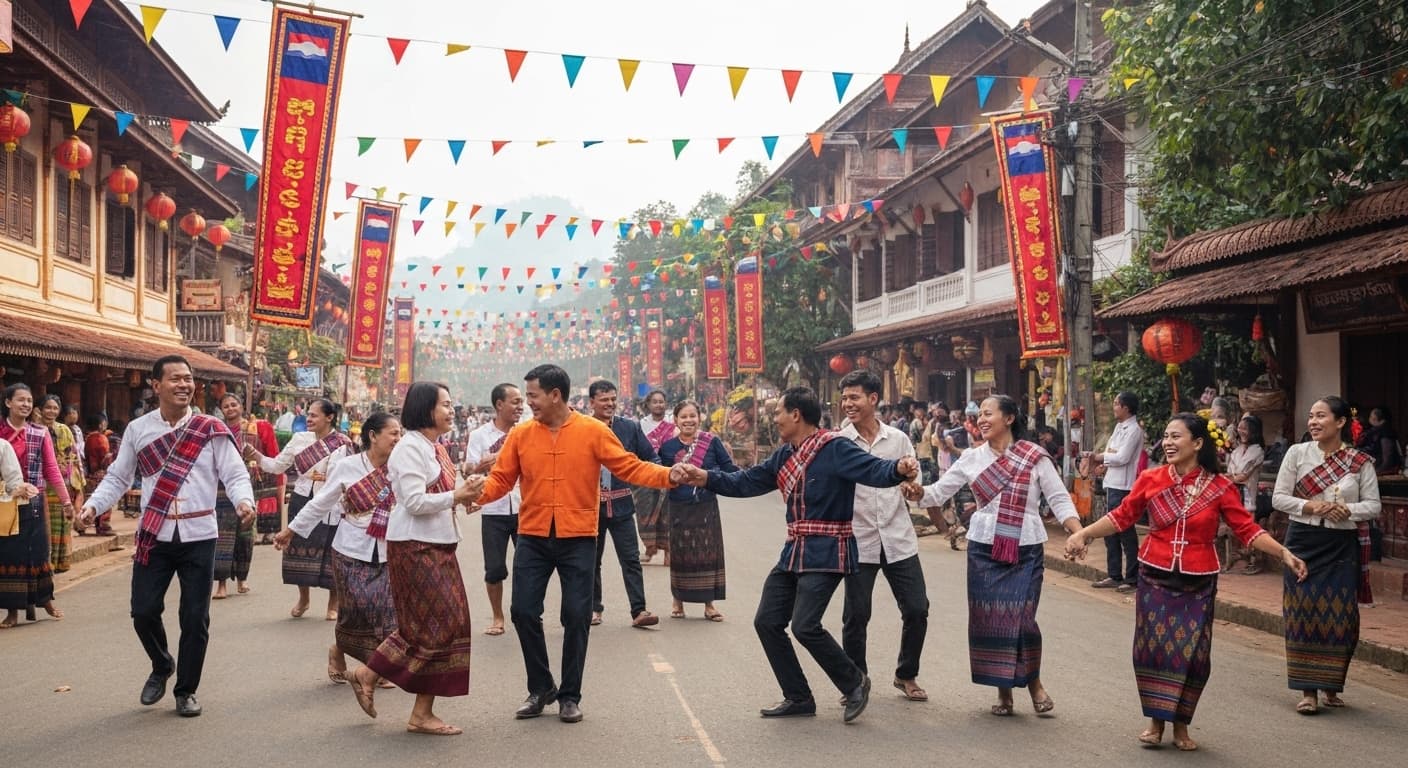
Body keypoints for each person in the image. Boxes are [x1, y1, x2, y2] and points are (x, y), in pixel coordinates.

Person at [676, 386, 919, 724]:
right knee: (767, 621)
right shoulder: (784, 455)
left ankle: (854, 682)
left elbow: (874, 470)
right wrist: (704, 477)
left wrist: (899, 469)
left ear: (795, 415)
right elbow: (746, 482)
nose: (774, 419)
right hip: (796, 548)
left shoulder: (836, 448)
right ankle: (799, 696)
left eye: (778, 412)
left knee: (805, 625)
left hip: (829, 549)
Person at [1065, 413, 1307, 751]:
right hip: (1154, 574)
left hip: (1198, 580)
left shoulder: (1220, 487)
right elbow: (1121, 517)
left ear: (1197, 443)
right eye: (1165, 436)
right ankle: (1155, 721)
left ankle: (1181, 724)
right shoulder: (1150, 478)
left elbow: (1247, 530)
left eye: (1176, 436)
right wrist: (1084, 535)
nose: (1168, 442)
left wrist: (1283, 553)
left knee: (1192, 654)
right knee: (1152, 650)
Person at [475, 364, 680, 724]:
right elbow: (502, 479)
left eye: (534, 396)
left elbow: (629, 467)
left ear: (555, 395)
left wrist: (668, 475)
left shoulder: (592, 431)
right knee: (522, 611)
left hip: (579, 539)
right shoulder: (521, 435)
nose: (529, 404)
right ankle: (541, 688)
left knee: (576, 615)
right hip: (534, 536)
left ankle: (570, 695)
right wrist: (474, 495)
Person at [81, 355, 255, 717]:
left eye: (188, 379)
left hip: (199, 534)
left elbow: (235, 473)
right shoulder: (138, 429)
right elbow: (118, 477)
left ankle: (186, 690)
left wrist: (243, 501)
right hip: (154, 534)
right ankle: (162, 664)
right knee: (143, 612)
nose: (184, 385)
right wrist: (93, 506)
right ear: (156, 385)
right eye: (174, 379)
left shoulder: (210, 428)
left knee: (195, 617)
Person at [900, 395, 1079, 718]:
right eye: (979, 414)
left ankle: (1035, 684)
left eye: (988, 413)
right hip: (984, 548)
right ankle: (1004, 693)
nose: (981, 419)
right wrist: (917, 492)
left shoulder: (1035, 457)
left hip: (1025, 548)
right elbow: (939, 492)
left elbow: (1059, 499)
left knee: (1022, 621)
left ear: (1009, 418)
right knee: (994, 622)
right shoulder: (970, 458)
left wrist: (1077, 532)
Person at [347, 382, 481, 736]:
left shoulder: (435, 447)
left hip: (437, 545)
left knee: (437, 626)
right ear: (425, 408)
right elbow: (413, 502)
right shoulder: (409, 448)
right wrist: (456, 495)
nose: (452, 410)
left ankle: (375, 677)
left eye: (452, 404)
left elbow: (443, 494)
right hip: (415, 547)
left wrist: (466, 496)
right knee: (436, 626)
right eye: (446, 405)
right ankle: (413, 707)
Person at [278, 412, 402, 690]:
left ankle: (375, 667)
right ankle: (338, 650)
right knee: (354, 610)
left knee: (385, 610)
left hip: (388, 548)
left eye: (400, 433)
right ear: (373, 435)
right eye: (393, 433)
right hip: (350, 549)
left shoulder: (400, 468)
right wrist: (291, 530)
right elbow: (321, 502)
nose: (398, 438)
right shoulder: (347, 466)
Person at [1273, 395, 1381, 715]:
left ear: (1341, 422)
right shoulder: (1297, 453)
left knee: (1340, 616)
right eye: (1311, 416)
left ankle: (1331, 685)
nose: (1313, 422)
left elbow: (1373, 506)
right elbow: (1280, 498)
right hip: (1303, 541)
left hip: (1340, 544)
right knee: (1302, 613)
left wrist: (1346, 510)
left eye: (1321, 416)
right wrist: (1310, 505)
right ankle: (1308, 692)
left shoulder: (1360, 462)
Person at [835, 371, 931, 703]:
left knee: (917, 609)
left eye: (854, 397)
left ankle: (906, 674)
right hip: (859, 538)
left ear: (873, 399)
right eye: (844, 398)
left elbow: (909, 478)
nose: (848, 403)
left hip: (898, 536)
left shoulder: (899, 440)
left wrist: (912, 487)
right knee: (856, 615)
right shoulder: (840, 442)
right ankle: (856, 681)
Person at [249, 398, 352, 619]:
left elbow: (338, 479)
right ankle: (303, 599)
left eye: (314, 415)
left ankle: (333, 604)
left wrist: (326, 480)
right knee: (298, 549)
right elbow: (277, 465)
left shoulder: (342, 443)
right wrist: (256, 456)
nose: (309, 418)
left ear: (329, 417)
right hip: (302, 498)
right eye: (308, 414)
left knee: (331, 552)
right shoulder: (299, 439)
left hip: (330, 503)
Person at [586, 380, 660, 628]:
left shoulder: (630, 427)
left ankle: (639, 610)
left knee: (630, 559)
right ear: (591, 402)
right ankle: (593, 608)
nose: (609, 404)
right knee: (590, 560)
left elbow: (651, 456)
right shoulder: (580, 428)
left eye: (612, 399)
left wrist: (656, 477)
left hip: (622, 506)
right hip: (590, 508)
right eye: (604, 399)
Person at [1, 383, 72, 628]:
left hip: (34, 500)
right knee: (10, 555)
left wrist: (66, 501)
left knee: (40, 552)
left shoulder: (39, 432)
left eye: (29, 401)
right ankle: (12, 610)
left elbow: (51, 469)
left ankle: (46, 600)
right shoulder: (0, 433)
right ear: (8, 402)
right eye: (20, 400)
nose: (26, 405)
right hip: (6, 502)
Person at [658, 400, 737, 621]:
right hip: (679, 508)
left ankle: (709, 605)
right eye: (683, 416)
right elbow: (661, 475)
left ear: (699, 418)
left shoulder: (711, 443)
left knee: (707, 556)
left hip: (706, 507)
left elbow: (728, 470)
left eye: (692, 416)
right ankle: (678, 601)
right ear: (675, 420)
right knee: (681, 556)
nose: (688, 420)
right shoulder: (668, 448)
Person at [464, 382, 524, 637]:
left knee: (529, 566)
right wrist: (484, 463)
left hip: (525, 506)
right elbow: (468, 469)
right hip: (494, 509)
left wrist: (499, 456)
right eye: (515, 402)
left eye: (522, 402)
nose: (520, 407)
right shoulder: (480, 435)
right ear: (499, 405)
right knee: (495, 567)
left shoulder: (527, 432)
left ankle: (526, 614)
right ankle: (498, 616)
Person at [212, 394, 279, 598]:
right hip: (221, 488)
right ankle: (221, 584)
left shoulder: (256, 427)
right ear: (221, 410)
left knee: (245, 535)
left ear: (241, 406)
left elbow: (271, 455)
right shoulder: (216, 430)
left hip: (249, 486)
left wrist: (275, 486)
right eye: (226, 406)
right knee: (221, 536)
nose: (230, 408)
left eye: (234, 404)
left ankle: (242, 579)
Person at [1088, 392, 1145, 594]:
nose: (1114, 407)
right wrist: (1105, 462)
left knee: (1125, 531)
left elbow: (1122, 457)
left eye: (1116, 404)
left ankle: (1132, 577)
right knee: (1110, 531)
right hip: (1112, 482)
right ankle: (1114, 574)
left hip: (1124, 486)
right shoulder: (1119, 427)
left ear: (1126, 407)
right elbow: (1114, 453)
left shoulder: (1134, 430)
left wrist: (1100, 457)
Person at [37, 395, 83, 571]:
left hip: (63, 482)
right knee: (45, 524)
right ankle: (46, 563)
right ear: (40, 409)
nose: (51, 411)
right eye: (48, 407)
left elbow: (74, 455)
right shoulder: (34, 429)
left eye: (55, 408)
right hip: (42, 483)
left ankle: (60, 562)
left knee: (62, 523)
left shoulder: (64, 430)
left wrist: (78, 482)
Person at [636, 389, 675, 565]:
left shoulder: (672, 424)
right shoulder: (641, 425)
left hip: (668, 473)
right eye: (655, 402)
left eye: (661, 401)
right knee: (645, 511)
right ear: (648, 405)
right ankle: (649, 548)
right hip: (647, 474)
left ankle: (669, 552)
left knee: (668, 513)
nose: (659, 404)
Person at [1226, 414, 1267, 574]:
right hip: (1234, 493)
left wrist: (1233, 477)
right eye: (1240, 427)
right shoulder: (1236, 450)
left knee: (1249, 526)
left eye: (1245, 428)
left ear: (1253, 431)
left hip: (1248, 494)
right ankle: (1239, 558)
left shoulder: (1257, 451)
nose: (1241, 430)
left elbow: (1242, 477)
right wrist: (1233, 477)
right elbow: (1231, 473)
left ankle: (1254, 560)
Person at [82, 412, 114, 535]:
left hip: (91, 473)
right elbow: (105, 458)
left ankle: (84, 525)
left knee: (91, 498)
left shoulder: (88, 438)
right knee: (106, 498)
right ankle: (103, 525)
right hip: (101, 473)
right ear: (101, 425)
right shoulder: (101, 438)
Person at [1357, 407, 1402, 474]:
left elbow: (1387, 458)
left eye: (1371, 416)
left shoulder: (1385, 432)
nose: (1369, 418)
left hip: (1385, 472)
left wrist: (1376, 473)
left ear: (1375, 418)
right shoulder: (1375, 430)